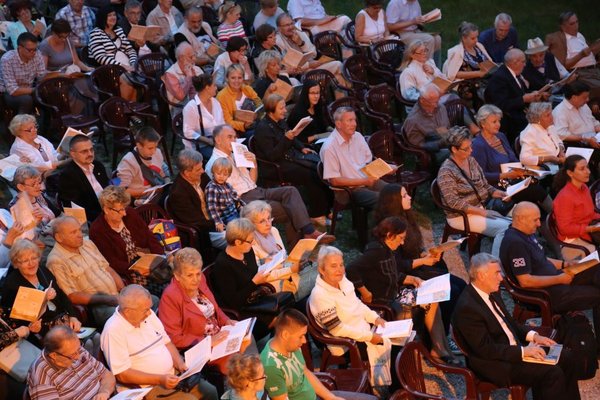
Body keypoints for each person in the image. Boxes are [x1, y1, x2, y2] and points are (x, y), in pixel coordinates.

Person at [452, 253, 582, 399]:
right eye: (497, 273)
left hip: (512, 349)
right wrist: (523, 352)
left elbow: (511, 324)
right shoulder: (468, 308)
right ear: (481, 276)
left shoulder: (491, 291)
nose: (501, 278)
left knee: (567, 357)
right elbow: (485, 349)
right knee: (551, 372)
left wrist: (535, 336)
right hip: (494, 362)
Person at [346, 217, 459, 365]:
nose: (402, 242)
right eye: (400, 238)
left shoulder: (388, 249)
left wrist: (411, 279)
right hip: (385, 300)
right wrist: (365, 292)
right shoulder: (376, 251)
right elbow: (351, 269)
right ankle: (439, 349)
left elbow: (390, 273)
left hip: (395, 292)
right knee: (431, 302)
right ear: (389, 235)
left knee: (434, 298)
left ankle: (439, 348)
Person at [499, 201, 600, 349]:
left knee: (596, 267)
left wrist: (565, 264)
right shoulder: (515, 244)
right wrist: (559, 278)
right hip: (548, 293)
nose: (539, 224)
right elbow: (525, 281)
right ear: (520, 219)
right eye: (535, 220)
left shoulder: (525, 233)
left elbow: (541, 259)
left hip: (556, 279)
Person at [206, 125, 330, 244]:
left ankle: (307, 233)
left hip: (256, 190)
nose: (234, 140)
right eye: (230, 137)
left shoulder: (234, 155)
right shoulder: (215, 164)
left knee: (290, 191)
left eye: (235, 137)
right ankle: (303, 243)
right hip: (244, 198)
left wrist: (253, 163)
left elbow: (252, 181)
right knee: (289, 210)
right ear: (218, 140)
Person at [373, 184, 467, 333]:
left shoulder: (405, 218)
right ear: (394, 201)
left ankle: (451, 327)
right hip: (406, 275)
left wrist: (424, 254)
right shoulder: (388, 229)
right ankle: (445, 331)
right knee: (453, 290)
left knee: (461, 284)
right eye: (404, 196)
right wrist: (423, 261)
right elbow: (396, 265)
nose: (409, 197)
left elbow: (410, 250)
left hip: (416, 266)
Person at [101, 284, 218, 400]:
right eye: (145, 310)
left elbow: (166, 342)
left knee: (210, 392)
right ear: (127, 311)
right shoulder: (113, 330)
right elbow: (122, 374)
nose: (149, 313)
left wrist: (179, 363)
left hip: (173, 375)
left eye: (149, 308)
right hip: (148, 387)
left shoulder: (147, 314)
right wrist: (160, 379)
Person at [308, 246, 395, 395]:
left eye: (341, 264)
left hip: (361, 331)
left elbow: (358, 305)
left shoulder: (344, 282)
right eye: (333, 266)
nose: (340, 270)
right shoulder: (320, 295)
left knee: (400, 340)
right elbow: (337, 329)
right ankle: (396, 391)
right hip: (346, 343)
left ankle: (398, 389)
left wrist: (375, 318)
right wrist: (370, 337)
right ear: (322, 270)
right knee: (394, 347)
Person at [158, 247, 251, 374]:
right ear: (177, 276)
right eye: (190, 275)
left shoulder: (201, 280)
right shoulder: (170, 297)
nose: (196, 279)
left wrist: (226, 320)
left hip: (219, 336)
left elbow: (214, 308)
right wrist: (208, 342)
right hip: (200, 347)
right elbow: (174, 338)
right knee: (238, 365)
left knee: (248, 340)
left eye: (198, 273)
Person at [262, 309, 377, 400]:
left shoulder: (291, 345)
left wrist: (330, 397)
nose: (304, 341)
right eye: (300, 336)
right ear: (285, 335)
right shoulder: (271, 366)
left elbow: (306, 372)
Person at [253, 94, 332, 220]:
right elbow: (272, 156)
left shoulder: (281, 120)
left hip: (289, 156)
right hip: (276, 166)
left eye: (284, 107)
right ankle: (317, 214)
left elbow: (292, 136)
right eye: (281, 108)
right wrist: (286, 139)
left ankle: (327, 207)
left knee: (319, 167)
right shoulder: (263, 129)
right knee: (310, 174)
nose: (285, 110)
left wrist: (301, 147)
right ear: (271, 110)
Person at [437, 126, 511, 257]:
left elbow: (484, 185)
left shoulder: (471, 161)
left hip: (480, 207)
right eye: (466, 149)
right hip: (461, 216)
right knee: (505, 229)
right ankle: (499, 266)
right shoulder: (446, 171)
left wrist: (498, 193)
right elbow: (453, 203)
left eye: (471, 147)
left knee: (517, 220)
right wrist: (483, 212)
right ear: (454, 149)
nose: (471, 151)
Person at [210, 218, 288, 337]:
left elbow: (252, 272)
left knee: (288, 310)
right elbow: (233, 302)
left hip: (257, 298)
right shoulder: (223, 265)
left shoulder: (247, 251)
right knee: (284, 321)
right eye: (250, 241)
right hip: (242, 310)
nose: (253, 243)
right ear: (237, 242)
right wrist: (254, 282)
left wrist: (265, 265)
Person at [471, 104, 553, 213]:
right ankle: (556, 217)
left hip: (513, 178)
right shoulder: (478, 145)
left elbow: (513, 159)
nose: (498, 125)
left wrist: (524, 170)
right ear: (483, 124)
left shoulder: (500, 136)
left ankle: (545, 219)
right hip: (498, 186)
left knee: (541, 176)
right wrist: (507, 175)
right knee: (535, 191)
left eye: (499, 121)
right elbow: (481, 176)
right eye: (494, 122)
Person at [46, 216, 123, 329]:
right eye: (73, 232)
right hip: (96, 307)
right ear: (59, 237)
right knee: (126, 316)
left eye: (80, 230)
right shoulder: (56, 261)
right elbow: (71, 296)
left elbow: (107, 268)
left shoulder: (87, 244)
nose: (80, 235)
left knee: (152, 299)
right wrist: (107, 299)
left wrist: (124, 290)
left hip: (115, 296)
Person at [1, 239, 81, 339]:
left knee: (94, 338)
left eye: (34, 258)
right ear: (16, 264)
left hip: (63, 320)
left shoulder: (42, 270)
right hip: (42, 330)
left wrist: (73, 316)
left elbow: (61, 294)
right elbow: (14, 320)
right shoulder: (12, 285)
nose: (31, 263)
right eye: (25, 260)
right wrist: (31, 327)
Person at [89, 186, 165, 284]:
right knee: (157, 287)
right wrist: (136, 269)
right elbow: (111, 261)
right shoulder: (97, 230)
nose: (124, 213)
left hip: (146, 260)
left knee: (174, 275)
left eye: (124, 208)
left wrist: (159, 256)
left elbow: (149, 236)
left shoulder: (130, 213)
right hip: (128, 271)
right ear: (106, 209)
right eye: (120, 210)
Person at [320, 107, 389, 209]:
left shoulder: (358, 137)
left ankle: (406, 224)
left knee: (397, 192)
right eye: (350, 120)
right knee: (385, 200)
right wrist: (364, 181)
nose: (354, 124)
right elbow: (334, 180)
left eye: (355, 120)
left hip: (367, 181)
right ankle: (389, 224)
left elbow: (368, 162)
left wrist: (386, 168)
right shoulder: (329, 147)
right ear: (338, 124)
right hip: (348, 190)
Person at [27, 326, 115, 400]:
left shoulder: (75, 349)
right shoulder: (42, 375)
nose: (78, 356)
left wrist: (104, 392)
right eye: (72, 354)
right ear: (54, 355)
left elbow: (106, 375)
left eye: (79, 348)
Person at [485, 49, 547, 143]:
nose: (525, 64)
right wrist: (523, 99)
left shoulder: (513, 74)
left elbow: (519, 93)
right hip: (510, 121)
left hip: (520, 114)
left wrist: (533, 96)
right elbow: (500, 105)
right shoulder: (500, 78)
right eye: (523, 62)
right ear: (515, 63)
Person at [241, 200, 301, 295]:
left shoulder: (273, 230)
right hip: (272, 284)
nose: (268, 223)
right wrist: (290, 270)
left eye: (269, 218)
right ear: (251, 224)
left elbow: (284, 257)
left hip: (288, 272)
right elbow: (260, 276)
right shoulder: (250, 243)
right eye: (262, 221)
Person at [166, 149, 220, 249]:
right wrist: (220, 223)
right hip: (206, 232)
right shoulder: (178, 193)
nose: (203, 171)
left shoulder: (202, 176)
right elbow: (197, 221)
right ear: (187, 172)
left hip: (217, 220)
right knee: (240, 237)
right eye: (198, 169)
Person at [275, 13, 346, 85]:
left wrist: (301, 43)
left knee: (338, 72)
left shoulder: (299, 33)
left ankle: (348, 93)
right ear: (279, 28)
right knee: (337, 68)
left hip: (313, 66)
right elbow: (289, 67)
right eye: (287, 25)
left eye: (291, 23)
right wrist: (308, 65)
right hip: (301, 75)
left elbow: (313, 54)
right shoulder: (278, 42)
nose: (290, 27)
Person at [553, 155, 600, 259]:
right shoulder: (565, 197)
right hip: (572, 239)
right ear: (570, 173)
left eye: (587, 167)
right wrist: (591, 229)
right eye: (582, 169)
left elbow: (591, 213)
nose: (588, 172)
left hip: (587, 230)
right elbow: (565, 229)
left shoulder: (584, 187)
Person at [545, 11, 600, 101]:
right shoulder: (560, 40)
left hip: (594, 71)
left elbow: (589, 55)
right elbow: (562, 65)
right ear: (563, 27)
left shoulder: (580, 36)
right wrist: (580, 55)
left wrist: (596, 47)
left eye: (577, 22)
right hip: (580, 74)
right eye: (572, 24)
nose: (576, 26)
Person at [88, 6, 137, 101]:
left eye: (114, 14)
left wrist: (133, 62)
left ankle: (132, 109)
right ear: (102, 17)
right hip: (109, 70)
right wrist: (122, 66)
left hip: (128, 66)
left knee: (139, 78)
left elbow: (130, 49)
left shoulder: (119, 29)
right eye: (109, 15)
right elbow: (100, 57)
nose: (113, 17)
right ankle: (126, 109)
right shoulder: (95, 33)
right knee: (127, 80)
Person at [58, 134, 109, 223]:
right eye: (84, 151)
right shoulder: (67, 176)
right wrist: (105, 216)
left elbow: (108, 189)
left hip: (110, 210)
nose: (90, 154)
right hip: (93, 219)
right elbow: (76, 209)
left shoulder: (98, 166)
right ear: (73, 154)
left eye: (91, 150)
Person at [402, 84, 451, 166]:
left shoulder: (441, 107)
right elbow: (415, 146)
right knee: (459, 154)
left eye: (437, 100)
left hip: (447, 144)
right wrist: (439, 143)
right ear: (422, 100)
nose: (436, 105)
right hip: (430, 153)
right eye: (433, 102)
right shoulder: (413, 120)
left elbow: (448, 128)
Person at [116, 127, 170, 201]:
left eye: (156, 147)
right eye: (150, 148)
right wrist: (152, 191)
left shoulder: (157, 152)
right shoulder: (128, 162)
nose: (154, 151)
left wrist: (167, 184)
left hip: (158, 193)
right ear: (139, 145)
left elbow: (163, 169)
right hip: (140, 200)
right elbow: (123, 190)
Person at [0, 32, 46, 114]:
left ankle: (50, 124)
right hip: (9, 93)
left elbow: (41, 77)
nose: (33, 52)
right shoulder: (7, 60)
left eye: (35, 49)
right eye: (30, 50)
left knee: (52, 93)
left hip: (30, 88)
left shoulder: (37, 54)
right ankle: (21, 125)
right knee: (26, 100)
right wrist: (35, 90)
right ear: (20, 48)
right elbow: (13, 90)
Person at [385, 0, 441, 65]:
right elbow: (390, 27)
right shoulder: (395, 3)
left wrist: (425, 20)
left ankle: (434, 67)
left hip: (415, 31)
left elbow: (418, 20)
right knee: (429, 39)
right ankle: (425, 68)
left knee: (437, 39)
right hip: (400, 33)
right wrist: (412, 22)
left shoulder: (415, 2)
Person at [182, 74, 224, 159]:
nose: (216, 88)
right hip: (202, 146)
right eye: (214, 85)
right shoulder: (191, 107)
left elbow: (222, 123)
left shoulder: (215, 102)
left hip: (218, 140)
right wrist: (207, 141)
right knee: (222, 159)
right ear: (207, 88)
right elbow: (188, 132)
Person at [10, 165, 55, 242]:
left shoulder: (39, 195)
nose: (38, 187)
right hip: (41, 243)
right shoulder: (16, 206)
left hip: (53, 234)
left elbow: (57, 213)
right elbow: (26, 236)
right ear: (21, 187)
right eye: (33, 184)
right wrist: (38, 221)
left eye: (39, 182)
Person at [216, 64, 261, 137]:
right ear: (227, 78)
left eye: (239, 78)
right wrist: (244, 125)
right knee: (259, 133)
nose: (236, 81)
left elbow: (259, 104)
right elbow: (227, 121)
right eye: (233, 78)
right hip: (236, 131)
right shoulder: (222, 96)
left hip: (255, 123)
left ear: (243, 78)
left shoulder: (247, 89)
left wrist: (257, 114)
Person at [519, 102, 565, 168]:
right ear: (538, 118)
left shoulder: (550, 127)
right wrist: (549, 158)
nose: (552, 117)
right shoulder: (530, 133)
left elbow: (559, 141)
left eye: (551, 113)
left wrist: (561, 151)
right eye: (547, 115)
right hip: (543, 169)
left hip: (556, 166)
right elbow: (524, 159)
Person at [206, 157, 244, 231]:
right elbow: (211, 207)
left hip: (234, 212)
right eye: (219, 173)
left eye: (225, 174)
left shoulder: (227, 186)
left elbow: (236, 198)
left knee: (250, 219)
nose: (221, 176)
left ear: (228, 175)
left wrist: (243, 206)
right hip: (225, 218)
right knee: (240, 229)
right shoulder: (212, 187)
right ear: (213, 172)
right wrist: (218, 222)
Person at [287, 80, 331, 145]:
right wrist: (316, 136)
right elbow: (297, 138)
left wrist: (333, 130)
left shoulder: (318, 106)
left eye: (318, 93)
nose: (316, 96)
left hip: (322, 141)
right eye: (312, 93)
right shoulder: (298, 112)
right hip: (306, 146)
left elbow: (324, 125)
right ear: (306, 94)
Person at [163, 42, 204, 111]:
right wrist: (188, 77)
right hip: (181, 110)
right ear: (181, 58)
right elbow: (180, 96)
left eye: (194, 55)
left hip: (199, 104)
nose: (194, 59)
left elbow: (205, 88)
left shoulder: (196, 69)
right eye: (191, 57)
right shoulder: (170, 74)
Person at [0, 313, 32, 399]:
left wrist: (27, 329)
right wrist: (15, 334)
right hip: (5, 368)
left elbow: (11, 327)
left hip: (19, 351)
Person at [286, 0, 351, 36]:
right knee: (345, 19)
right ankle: (360, 40)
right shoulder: (294, 1)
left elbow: (322, 14)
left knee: (346, 34)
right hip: (312, 29)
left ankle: (350, 59)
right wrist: (321, 21)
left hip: (324, 24)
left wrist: (330, 18)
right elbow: (300, 21)